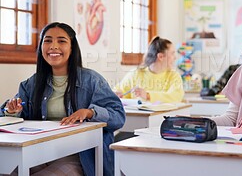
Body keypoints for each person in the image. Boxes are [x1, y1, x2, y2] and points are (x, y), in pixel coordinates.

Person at [0, 22, 125, 176]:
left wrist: (89, 113)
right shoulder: (31, 83)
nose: (53, 46)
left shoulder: (92, 80)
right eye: (47, 41)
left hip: (80, 157)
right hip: (39, 153)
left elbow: (118, 116)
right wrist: (12, 111)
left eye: (61, 41)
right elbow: (11, 113)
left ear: (72, 48)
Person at [114, 36, 184, 103]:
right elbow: (117, 92)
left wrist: (148, 95)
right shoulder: (136, 74)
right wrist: (116, 95)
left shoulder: (174, 76)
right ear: (160, 56)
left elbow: (176, 96)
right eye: (172, 53)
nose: (175, 58)